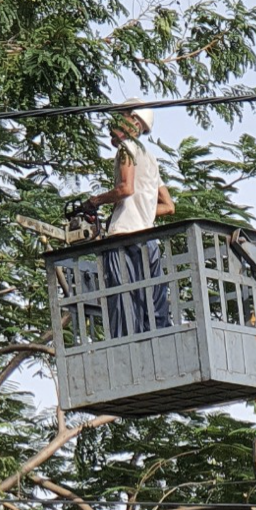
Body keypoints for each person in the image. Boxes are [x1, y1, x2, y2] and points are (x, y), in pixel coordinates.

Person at [85, 102, 174, 336]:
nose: (113, 123)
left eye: (119, 116)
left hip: (124, 239)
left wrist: (96, 201)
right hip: (148, 240)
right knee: (151, 307)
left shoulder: (127, 148)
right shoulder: (150, 158)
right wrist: (141, 210)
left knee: (123, 304)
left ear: (134, 122)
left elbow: (126, 188)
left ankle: (126, 352)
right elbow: (168, 206)